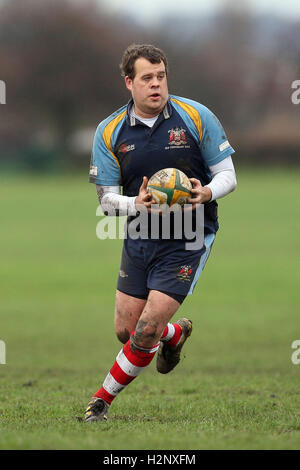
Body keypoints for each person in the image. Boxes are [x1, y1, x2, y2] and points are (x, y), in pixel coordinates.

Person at [85, 44, 237, 422]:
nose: (157, 84)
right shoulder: (109, 131)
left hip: (189, 234)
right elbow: (106, 201)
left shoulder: (196, 116)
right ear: (129, 83)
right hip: (141, 233)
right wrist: (136, 206)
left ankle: (99, 403)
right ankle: (174, 335)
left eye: (161, 76)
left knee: (144, 331)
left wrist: (206, 192)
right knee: (127, 330)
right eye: (147, 78)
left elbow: (228, 176)